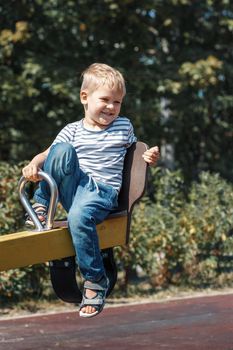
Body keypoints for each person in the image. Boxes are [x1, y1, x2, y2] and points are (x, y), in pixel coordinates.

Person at [22, 63, 160, 318]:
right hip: (76, 189)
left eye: (117, 102)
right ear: (85, 98)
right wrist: (33, 164)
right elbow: (47, 155)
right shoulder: (71, 130)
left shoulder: (123, 126)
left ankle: (95, 281)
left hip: (102, 192)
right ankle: (41, 205)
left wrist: (150, 155)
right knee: (59, 151)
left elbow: (136, 152)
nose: (111, 107)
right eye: (105, 100)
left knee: (78, 217)